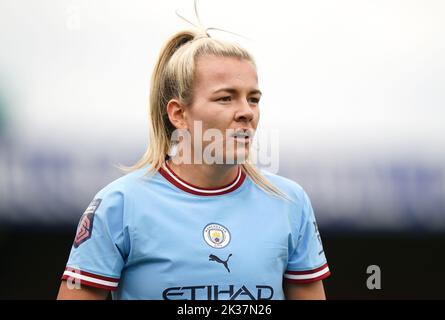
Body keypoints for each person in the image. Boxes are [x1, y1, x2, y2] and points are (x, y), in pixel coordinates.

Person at [57, 28, 331, 300]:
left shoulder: (288, 202)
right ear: (179, 114)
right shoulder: (119, 205)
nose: (246, 112)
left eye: (253, 99)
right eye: (225, 97)